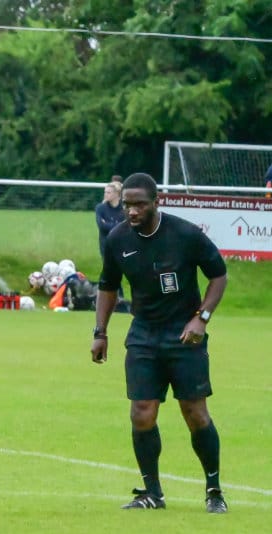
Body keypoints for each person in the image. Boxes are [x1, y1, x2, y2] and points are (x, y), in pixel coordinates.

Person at [91, 172, 229, 513]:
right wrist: (100, 332)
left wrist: (202, 317)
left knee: (195, 413)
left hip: (184, 334)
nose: (132, 212)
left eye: (139, 205)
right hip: (143, 334)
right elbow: (108, 286)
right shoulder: (118, 238)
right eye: (127, 205)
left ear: (156, 202)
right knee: (141, 413)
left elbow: (219, 275)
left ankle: (214, 490)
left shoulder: (185, 235)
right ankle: (152, 493)